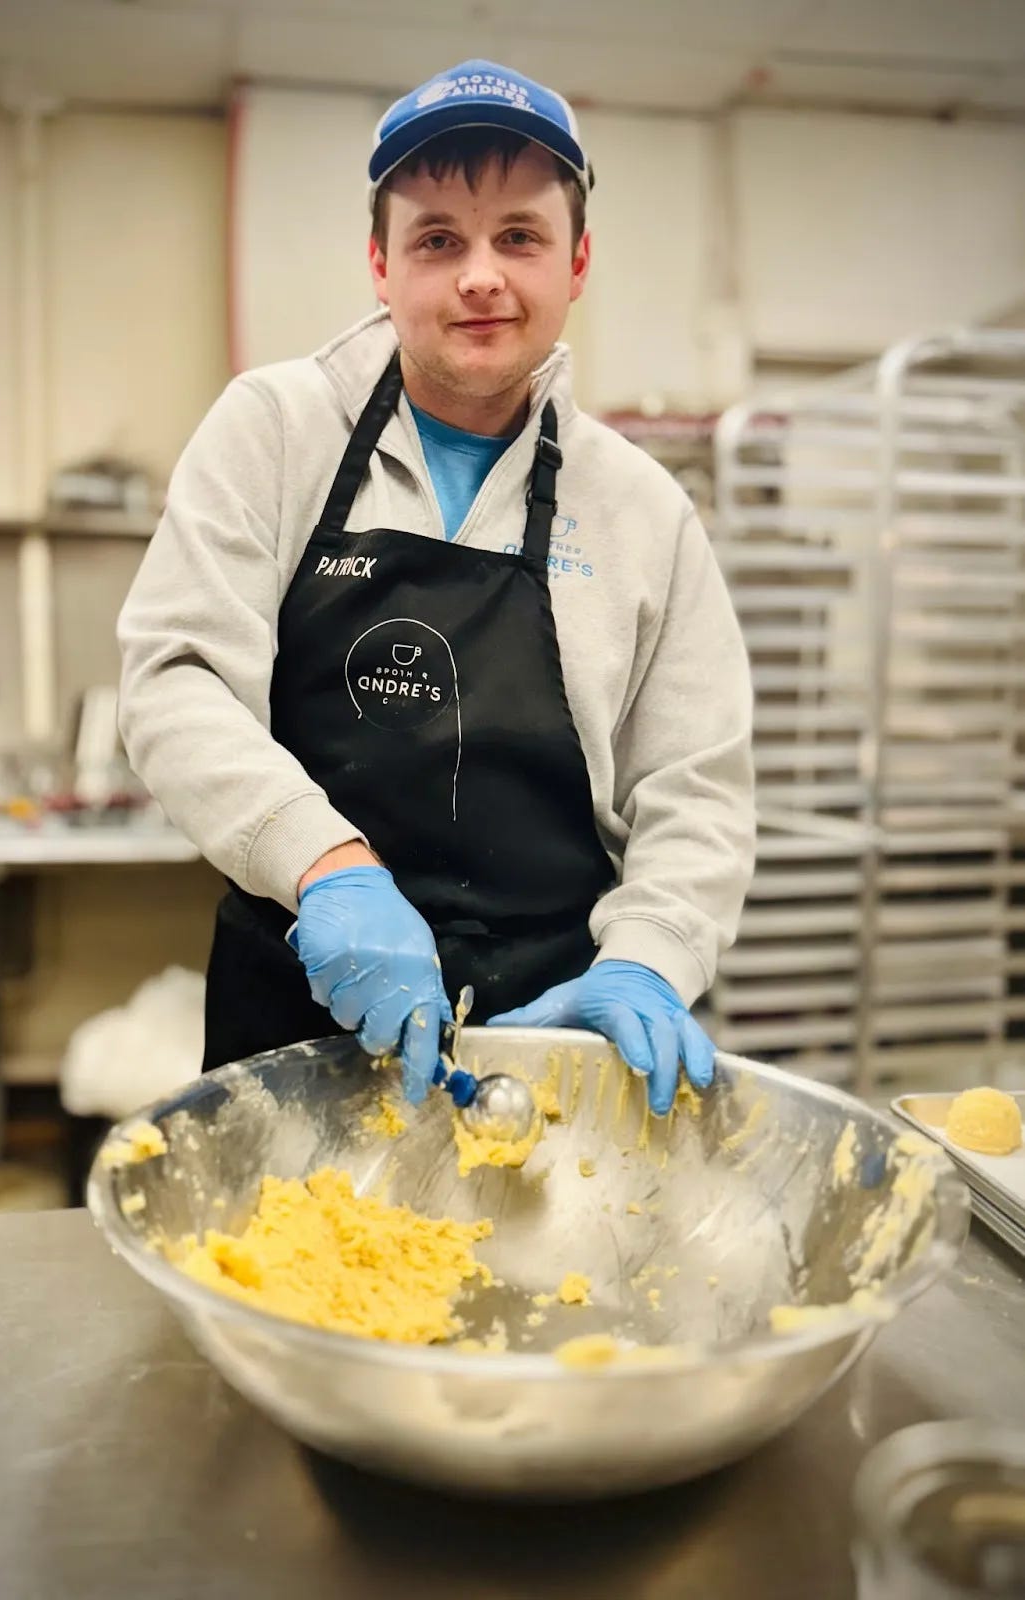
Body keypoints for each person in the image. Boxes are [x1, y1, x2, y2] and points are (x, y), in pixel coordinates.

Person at [117, 59, 755, 1118]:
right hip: (297, 1019)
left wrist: (648, 960)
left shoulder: (642, 509)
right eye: (438, 240)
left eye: (519, 236)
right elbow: (177, 679)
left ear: (577, 260)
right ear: (380, 263)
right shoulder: (276, 429)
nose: (480, 277)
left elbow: (696, 787)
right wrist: (328, 866)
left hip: (552, 1042)